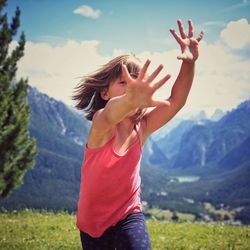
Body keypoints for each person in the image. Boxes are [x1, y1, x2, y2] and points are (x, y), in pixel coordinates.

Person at [72, 19, 204, 250]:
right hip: (92, 224)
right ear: (104, 92)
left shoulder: (141, 127)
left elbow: (176, 101)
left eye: (136, 83)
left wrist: (190, 63)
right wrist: (128, 101)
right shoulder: (101, 124)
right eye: (124, 82)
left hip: (128, 215)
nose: (132, 88)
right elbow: (112, 113)